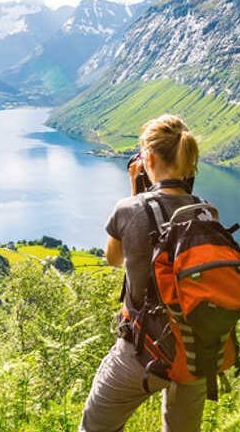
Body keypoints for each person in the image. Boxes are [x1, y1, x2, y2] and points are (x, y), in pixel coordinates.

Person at [80, 114, 207, 432]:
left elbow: (113, 258)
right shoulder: (204, 211)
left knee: (94, 427)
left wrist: (136, 191)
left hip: (141, 351)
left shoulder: (129, 208)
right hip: (196, 353)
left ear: (147, 158)